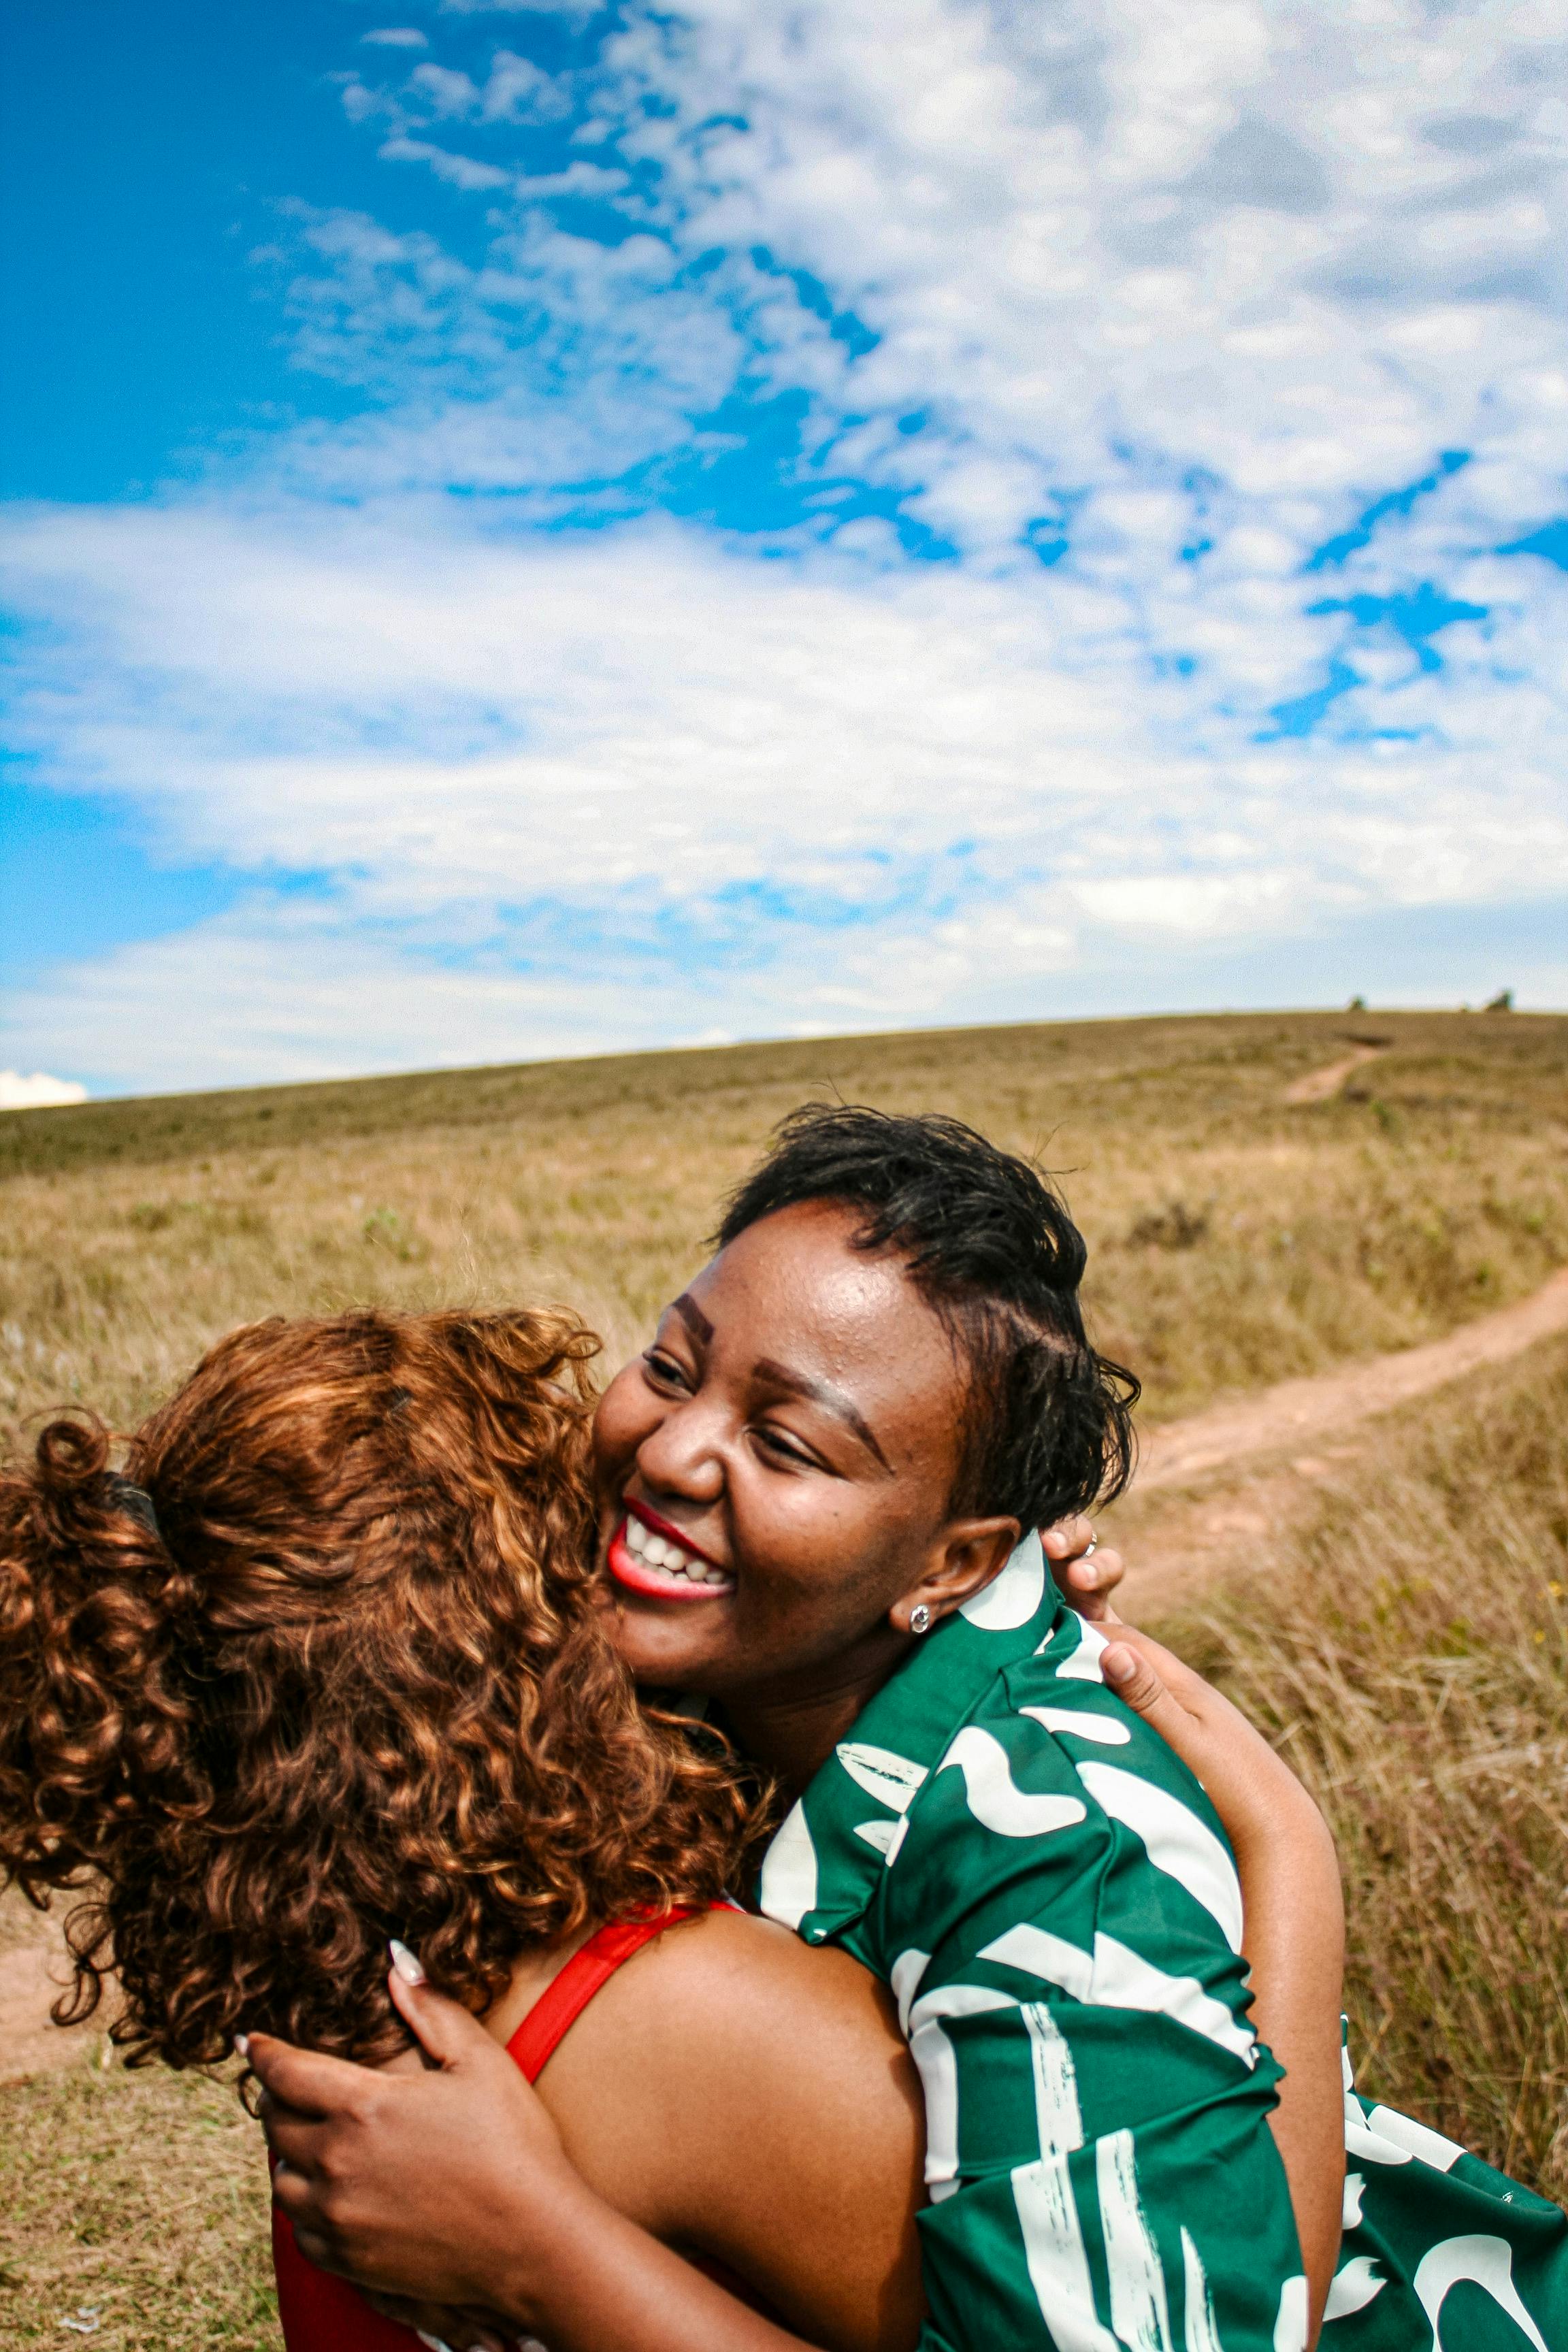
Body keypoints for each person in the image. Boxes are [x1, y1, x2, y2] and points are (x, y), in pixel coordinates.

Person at [257, 1107, 1568, 2352]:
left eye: (790, 1443)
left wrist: (536, 2249)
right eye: (670, 1365)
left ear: (950, 1566)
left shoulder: (1057, 1852)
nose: (671, 1452)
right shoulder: (676, 1664)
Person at [0, 1298, 1329, 2352]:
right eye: (597, 1551)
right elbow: (1219, 2303)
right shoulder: (685, 2017)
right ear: (523, 1670)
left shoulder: (345, 1933)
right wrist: (1287, 1853)